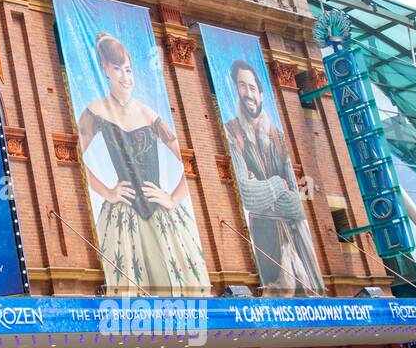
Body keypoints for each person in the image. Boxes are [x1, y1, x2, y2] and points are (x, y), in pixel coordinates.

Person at [75, 31, 208, 295]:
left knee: (181, 290)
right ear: (105, 69)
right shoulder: (95, 111)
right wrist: (108, 192)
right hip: (123, 214)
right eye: (118, 69)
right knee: (129, 289)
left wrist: (171, 197)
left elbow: (192, 163)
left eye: (128, 69)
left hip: (162, 214)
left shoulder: (149, 114)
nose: (125, 77)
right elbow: (72, 159)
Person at [223, 59, 323, 295]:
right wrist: (279, 184)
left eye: (253, 87)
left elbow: (299, 206)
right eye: (242, 86)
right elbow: (247, 195)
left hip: (298, 244)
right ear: (236, 91)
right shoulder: (231, 132)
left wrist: (264, 190)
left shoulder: (279, 137)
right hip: (263, 244)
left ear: (261, 93)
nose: (248, 93)